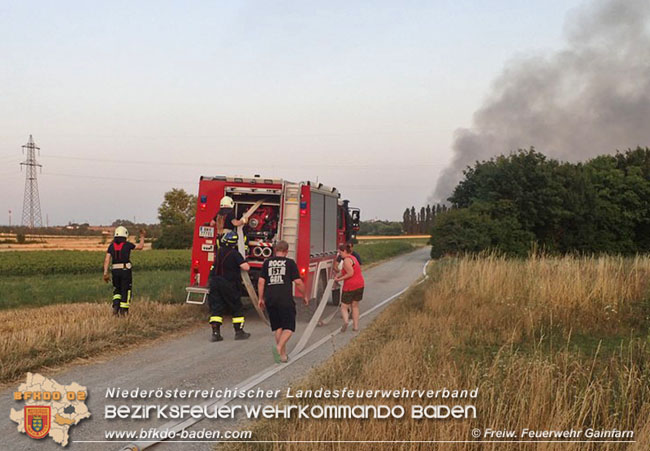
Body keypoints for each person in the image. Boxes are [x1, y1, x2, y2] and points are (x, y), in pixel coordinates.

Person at [258, 240, 308, 363]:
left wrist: (260, 298)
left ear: (275, 250)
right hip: (285, 299)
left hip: (270, 299)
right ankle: (279, 347)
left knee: (278, 327)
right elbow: (298, 282)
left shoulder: (267, 263)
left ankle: (282, 356)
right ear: (286, 251)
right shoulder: (290, 263)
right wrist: (305, 295)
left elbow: (261, 282)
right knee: (289, 327)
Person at [208, 231, 251, 342]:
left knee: (216, 308)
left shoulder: (219, 252)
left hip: (215, 283)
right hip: (229, 284)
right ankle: (239, 332)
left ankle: (215, 334)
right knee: (236, 308)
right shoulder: (234, 254)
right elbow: (245, 267)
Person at [103, 226, 145, 315]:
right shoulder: (127, 244)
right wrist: (142, 236)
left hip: (115, 271)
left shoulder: (111, 246)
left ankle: (115, 307)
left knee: (117, 290)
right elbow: (140, 247)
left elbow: (107, 260)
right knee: (126, 290)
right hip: (125, 270)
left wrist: (105, 273)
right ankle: (124, 311)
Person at [334, 242, 365, 332]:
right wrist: (337, 276)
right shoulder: (353, 258)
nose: (339, 254)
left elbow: (350, 273)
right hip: (360, 285)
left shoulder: (346, 260)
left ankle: (346, 321)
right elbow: (344, 271)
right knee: (355, 306)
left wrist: (339, 280)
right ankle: (355, 327)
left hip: (350, 286)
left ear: (344, 251)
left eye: (340, 252)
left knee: (344, 306)